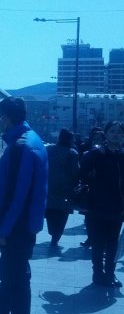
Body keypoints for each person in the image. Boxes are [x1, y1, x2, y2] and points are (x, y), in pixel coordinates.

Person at [0, 97, 48, 314]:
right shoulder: (33, 140)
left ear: (5, 119)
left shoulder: (20, 147)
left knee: (13, 279)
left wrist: (3, 231)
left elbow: (17, 196)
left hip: (16, 227)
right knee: (15, 278)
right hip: (26, 224)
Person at [78, 120, 124, 288]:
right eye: (112, 131)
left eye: (119, 132)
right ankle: (98, 274)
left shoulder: (122, 155)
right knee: (97, 243)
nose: (116, 135)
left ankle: (110, 274)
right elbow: (81, 174)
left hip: (117, 207)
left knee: (113, 243)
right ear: (106, 134)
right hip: (96, 205)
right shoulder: (96, 154)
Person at [44, 128, 80, 247]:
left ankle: (52, 232)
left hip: (49, 186)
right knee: (62, 214)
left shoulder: (49, 149)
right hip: (65, 189)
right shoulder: (72, 153)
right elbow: (75, 172)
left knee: (50, 211)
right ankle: (56, 236)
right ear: (70, 140)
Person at [78, 128, 105, 248]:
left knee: (102, 218)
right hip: (90, 191)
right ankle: (90, 238)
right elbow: (81, 172)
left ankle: (101, 241)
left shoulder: (108, 154)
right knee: (89, 218)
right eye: (94, 139)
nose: (96, 141)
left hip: (105, 191)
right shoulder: (87, 154)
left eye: (99, 139)